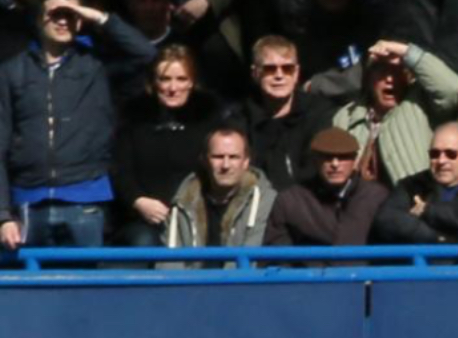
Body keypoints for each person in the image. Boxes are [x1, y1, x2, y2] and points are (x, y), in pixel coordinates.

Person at [0, 0, 155, 249]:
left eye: (71, 15)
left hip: (86, 198)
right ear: (39, 19)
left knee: (85, 273)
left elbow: (146, 53)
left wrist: (98, 17)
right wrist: (3, 215)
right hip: (28, 200)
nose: (63, 21)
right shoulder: (12, 71)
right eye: (55, 14)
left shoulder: (96, 64)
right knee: (34, 274)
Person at [112, 44, 220, 246]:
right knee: (142, 241)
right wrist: (138, 200)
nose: (172, 88)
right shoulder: (133, 117)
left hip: (196, 215)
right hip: (144, 219)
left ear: (192, 82)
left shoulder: (209, 117)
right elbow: (120, 169)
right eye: (165, 79)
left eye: (181, 79)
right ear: (154, 82)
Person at [332, 38, 458, 185]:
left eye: (397, 72)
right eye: (382, 71)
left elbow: (452, 90)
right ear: (369, 78)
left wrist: (406, 52)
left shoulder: (420, 103)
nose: (389, 79)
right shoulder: (346, 116)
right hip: (361, 198)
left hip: (411, 198)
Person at [264, 125, 389, 245]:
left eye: (343, 157)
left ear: (355, 161)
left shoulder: (375, 197)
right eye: (327, 157)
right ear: (314, 160)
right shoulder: (292, 200)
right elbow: (276, 247)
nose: (335, 164)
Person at [371, 119, 458, 243]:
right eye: (434, 154)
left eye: (451, 154)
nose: (441, 160)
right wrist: (436, 238)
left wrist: (426, 211)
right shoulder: (413, 186)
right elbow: (386, 219)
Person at [243, 35, 333, 190]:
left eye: (287, 68)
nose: (279, 75)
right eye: (270, 69)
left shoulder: (319, 114)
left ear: (296, 73)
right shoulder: (241, 119)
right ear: (255, 73)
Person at [165, 126, 277, 248]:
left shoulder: (266, 202)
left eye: (233, 157)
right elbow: (171, 254)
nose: (225, 165)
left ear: (246, 162)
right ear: (204, 160)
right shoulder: (183, 201)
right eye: (218, 157)